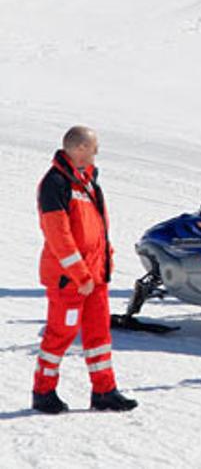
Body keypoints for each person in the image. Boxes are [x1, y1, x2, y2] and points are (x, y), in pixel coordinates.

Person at [32, 126, 137, 413]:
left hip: (94, 277)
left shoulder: (88, 182)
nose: (96, 152)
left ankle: (104, 391)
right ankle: (43, 392)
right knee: (60, 334)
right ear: (78, 149)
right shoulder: (56, 184)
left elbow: (97, 229)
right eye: (93, 147)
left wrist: (104, 265)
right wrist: (80, 275)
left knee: (99, 335)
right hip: (70, 280)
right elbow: (59, 237)